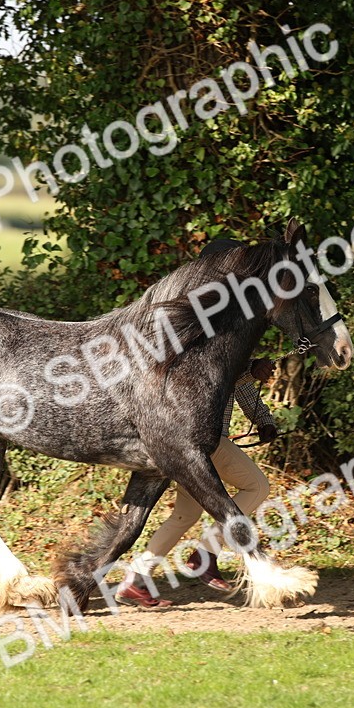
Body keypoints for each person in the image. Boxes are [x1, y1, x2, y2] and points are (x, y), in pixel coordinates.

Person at [116, 240, 279, 608]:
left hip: (197, 437)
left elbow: (232, 380)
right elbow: (202, 381)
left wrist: (261, 416)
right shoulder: (204, 323)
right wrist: (250, 372)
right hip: (197, 436)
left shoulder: (219, 319)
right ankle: (204, 555)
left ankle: (136, 579)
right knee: (256, 487)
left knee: (186, 512)